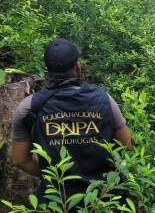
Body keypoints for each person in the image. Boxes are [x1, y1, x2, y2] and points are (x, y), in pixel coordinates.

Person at [11, 39, 132, 206]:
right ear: (77, 66)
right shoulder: (105, 101)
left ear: (46, 68)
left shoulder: (29, 107)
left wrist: (53, 175)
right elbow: (127, 146)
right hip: (105, 199)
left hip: (57, 202)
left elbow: (20, 160)